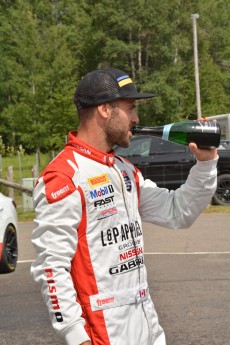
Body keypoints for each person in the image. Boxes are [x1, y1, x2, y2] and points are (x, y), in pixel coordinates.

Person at [31, 68, 218, 345]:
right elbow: (51, 268)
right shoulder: (64, 175)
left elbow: (178, 212)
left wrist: (205, 163)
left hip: (147, 326)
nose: (136, 119)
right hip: (102, 334)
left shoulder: (123, 170)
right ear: (105, 109)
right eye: (130, 108)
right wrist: (76, 336)